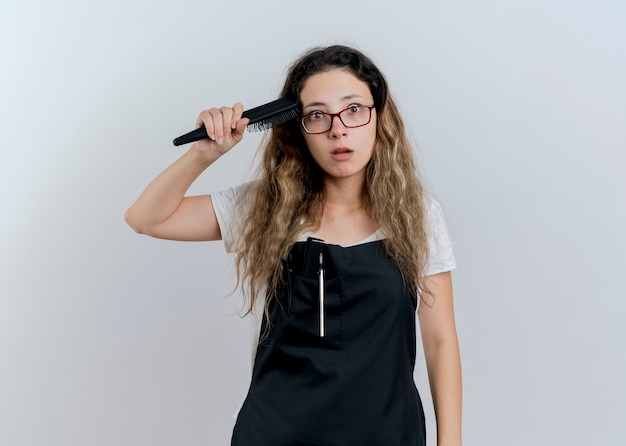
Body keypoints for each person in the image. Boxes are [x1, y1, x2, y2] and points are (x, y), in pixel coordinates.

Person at [125, 45, 462, 446]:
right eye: (317, 115)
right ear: (298, 128)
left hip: (388, 433)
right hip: (277, 434)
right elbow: (146, 218)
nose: (338, 129)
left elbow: (440, 341)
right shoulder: (267, 206)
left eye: (354, 109)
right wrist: (204, 154)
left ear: (379, 116)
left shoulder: (417, 214)